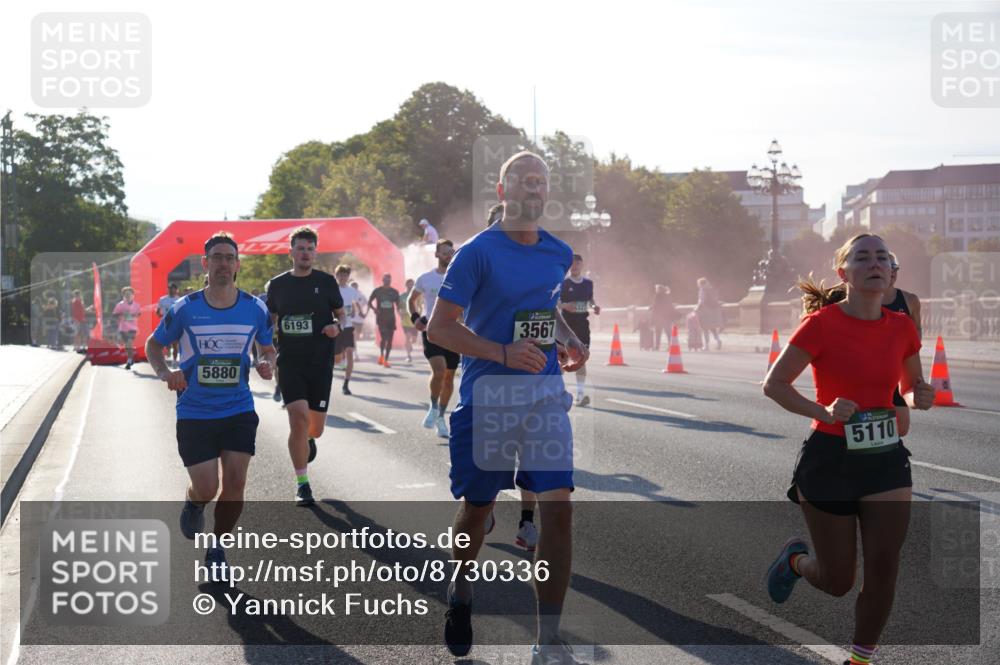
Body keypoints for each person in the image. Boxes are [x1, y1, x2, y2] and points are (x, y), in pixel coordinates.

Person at [427, 151, 589, 663]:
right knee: (478, 510)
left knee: (558, 509)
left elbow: (540, 308)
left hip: (541, 393)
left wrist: (565, 338)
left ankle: (549, 641)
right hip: (488, 396)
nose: (533, 189)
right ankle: (461, 588)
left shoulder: (558, 252)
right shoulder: (476, 253)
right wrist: (500, 352)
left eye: (540, 181)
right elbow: (440, 328)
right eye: (522, 181)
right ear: (502, 191)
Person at [762, 233, 935, 665]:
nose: (875, 262)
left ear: (892, 271)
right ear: (844, 273)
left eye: (882, 257)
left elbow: (909, 387)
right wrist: (824, 408)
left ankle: (860, 659)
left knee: (884, 565)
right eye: (863, 257)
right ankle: (796, 562)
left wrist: (918, 397)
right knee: (838, 580)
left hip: (885, 459)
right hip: (831, 459)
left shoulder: (902, 327)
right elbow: (774, 385)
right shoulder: (822, 324)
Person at [145, 231, 276, 582]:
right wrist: (165, 372)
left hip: (238, 408)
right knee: (207, 488)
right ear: (205, 264)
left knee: (235, 482)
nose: (223, 263)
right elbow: (153, 345)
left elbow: (268, 347)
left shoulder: (255, 308)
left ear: (237, 264)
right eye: (216, 257)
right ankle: (193, 501)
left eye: (229, 258)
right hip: (195, 411)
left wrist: (268, 363)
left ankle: (217, 548)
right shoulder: (185, 309)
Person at [265, 226, 344, 507]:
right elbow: (269, 321)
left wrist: (337, 327)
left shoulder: (326, 282)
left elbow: (341, 316)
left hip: (320, 362)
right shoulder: (276, 285)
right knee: (297, 419)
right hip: (290, 362)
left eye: (310, 248)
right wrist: (265, 352)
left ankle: (308, 440)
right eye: (300, 248)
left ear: (315, 252)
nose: (305, 253)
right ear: (291, 253)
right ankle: (302, 484)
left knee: (314, 429)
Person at [409, 239, 459, 438]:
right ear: (437, 254)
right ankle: (433, 405)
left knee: (449, 375)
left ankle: (440, 416)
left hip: (454, 332)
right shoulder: (426, 278)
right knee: (439, 371)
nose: (448, 255)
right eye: (444, 252)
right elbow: (411, 299)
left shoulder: (460, 277)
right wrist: (415, 318)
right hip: (432, 330)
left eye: (450, 252)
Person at [881, 252, 922, 438]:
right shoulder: (864, 300)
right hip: (867, 370)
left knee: (901, 430)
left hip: (897, 371)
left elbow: (917, 332)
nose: (891, 274)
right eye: (888, 269)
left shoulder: (910, 300)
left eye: (894, 270)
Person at [560, 254, 600, 406]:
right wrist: (565, 306)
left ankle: (580, 395)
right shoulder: (563, 283)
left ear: (581, 265)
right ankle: (557, 392)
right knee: (562, 359)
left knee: (581, 359)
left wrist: (594, 306)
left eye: (577, 264)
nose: (575, 267)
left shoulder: (588, 283)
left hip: (582, 326)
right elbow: (555, 302)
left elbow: (590, 299)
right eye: (572, 264)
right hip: (566, 327)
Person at [333, 264, 367, 395]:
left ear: (348, 277)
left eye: (345, 275)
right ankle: (339, 361)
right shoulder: (332, 289)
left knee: (349, 353)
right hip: (335, 327)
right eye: (340, 275)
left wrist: (357, 311)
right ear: (336, 276)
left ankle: (346, 384)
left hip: (347, 327)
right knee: (336, 358)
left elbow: (357, 302)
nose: (342, 277)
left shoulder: (352, 291)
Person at [368, 274, 401, 368]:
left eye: (389, 280)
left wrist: (400, 311)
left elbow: (398, 305)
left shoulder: (394, 292)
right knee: (384, 338)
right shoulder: (377, 291)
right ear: (382, 280)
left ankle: (386, 359)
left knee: (390, 339)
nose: (387, 281)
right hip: (381, 318)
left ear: (391, 280)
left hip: (391, 318)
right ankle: (382, 355)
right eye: (385, 279)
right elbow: (369, 302)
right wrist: (374, 309)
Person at [113, 287, 142, 368]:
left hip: (133, 328)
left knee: (129, 343)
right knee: (127, 345)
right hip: (123, 327)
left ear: (133, 295)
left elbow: (139, 314)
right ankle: (130, 358)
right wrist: (121, 314)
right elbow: (114, 314)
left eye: (129, 294)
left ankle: (129, 360)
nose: (128, 296)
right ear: (124, 295)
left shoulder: (137, 305)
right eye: (126, 294)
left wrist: (134, 315)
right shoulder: (120, 305)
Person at [695, 277, 723, 350]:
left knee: (705, 328)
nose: (698, 285)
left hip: (705, 310)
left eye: (698, 284)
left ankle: (706, 346)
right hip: (714, 311)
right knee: (713, 328)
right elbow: (716, 298)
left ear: (701, 284)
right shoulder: (712, 289)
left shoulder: (702, 290)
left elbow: (701, 300)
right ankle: (718, 340)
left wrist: (696, 308)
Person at [157, 283, 181, 366]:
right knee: (166, 343)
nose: (171, 290)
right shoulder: (162, 299)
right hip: (165, 324)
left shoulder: (179, 300)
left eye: (173, 288)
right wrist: (161, 316)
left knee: (175, 343)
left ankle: (174, 361)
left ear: (176, 290)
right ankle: (168, 350)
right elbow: (158, 311)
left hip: (175, 324)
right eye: (169, 288)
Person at [650, 284, 677, 351]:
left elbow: (655, 305)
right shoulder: (667, 296)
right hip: (667, 317)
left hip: (659, 317)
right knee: (668, 333)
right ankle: (671, 346)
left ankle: (657, 346)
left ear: (659, 290)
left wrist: (651, 308)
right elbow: (670, 306)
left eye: (656, 289)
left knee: (658, 332)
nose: (655, 290)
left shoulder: (658, 296)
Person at [399, 278, 418, 363]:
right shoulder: (402, 296)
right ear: (406, 285)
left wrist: (419, 315)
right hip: (405, 321)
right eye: (409, 284)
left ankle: (410, 345)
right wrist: (400, 313)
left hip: (415, 321)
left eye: (412, 284)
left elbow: (421, 306)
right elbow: (398, 307)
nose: (411, 286)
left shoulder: (417, 295)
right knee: (407, 338)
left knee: (414, 340)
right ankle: (408, 355)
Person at [70, 289, 91, 353]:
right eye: (78, 295)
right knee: (79, 333)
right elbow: (75, 312)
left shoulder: (79, 302)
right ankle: (77, 347)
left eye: (78, 295)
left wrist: (89, 309)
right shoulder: (76, 302)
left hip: (81, 319)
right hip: (78, 320)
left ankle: (79, 347)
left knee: (81, 333)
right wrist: (75, 319)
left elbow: (82, 311)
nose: (79, 296)